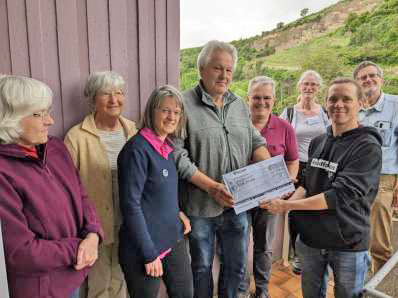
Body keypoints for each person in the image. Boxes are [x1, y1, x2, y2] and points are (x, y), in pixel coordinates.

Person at [262, 78, 382, 298]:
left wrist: (287, 205)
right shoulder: (319, 141)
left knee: (348, 294)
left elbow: (339, 195)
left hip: (347, 242)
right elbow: (307, 183)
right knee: (311, 293)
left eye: (346, 99)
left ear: (361, 103)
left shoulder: (367, 147)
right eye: (333, 99)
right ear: (326, 104)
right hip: (311, 241)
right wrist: (286, 198)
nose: (339, 104)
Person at [174, 40, 271, 298]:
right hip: (200, 207)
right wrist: (213, 187)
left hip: (238, 204)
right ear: (201, 69)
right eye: (218, 68)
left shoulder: (239, 105)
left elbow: (256, 142)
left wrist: (270, 172)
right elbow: (178, 157)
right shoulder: (182, 104)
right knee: (202, 267)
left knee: (236, 266)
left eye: (229, 70)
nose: (224, 75)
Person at [0, 75, 103, 298]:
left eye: (48, 111)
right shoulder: (3, 171)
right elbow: (20, 252)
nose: (50, 121)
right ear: (10, 118)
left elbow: (81, 195)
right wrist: (77, 247)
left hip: (71, 277)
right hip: (40, 290)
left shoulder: (55, 147)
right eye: (39, 114)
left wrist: (93, 234)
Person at [64, 71, 136, 298]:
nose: (114, 100)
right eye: (106, 94)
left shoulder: (133, 130)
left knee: (122, 277)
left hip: (129, 219)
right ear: (93, 98)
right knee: (99, 282)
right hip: (96, 223)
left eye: (119, 93)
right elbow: (67, 186)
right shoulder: (76, 136)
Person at [118, 85, 193, 298]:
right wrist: (149, 254)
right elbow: (130, 205)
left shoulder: (166, 148)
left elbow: (160, 192)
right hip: (144, 246)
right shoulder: (137, 150)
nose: (172, 117)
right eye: (165, 110)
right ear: (152, 111)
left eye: (177, 112)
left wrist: (178, 212)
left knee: (185, 293)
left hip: (172, 237)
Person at [238, 76, 299, 298]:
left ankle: (262, 290)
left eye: (267, 98)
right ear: (248, 98)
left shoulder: (285, 128)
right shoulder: (236, 124)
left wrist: (286, 185)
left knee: (264, 246)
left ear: (274, 100)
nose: (261, 102)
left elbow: (293, 160)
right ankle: (242, 290)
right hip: (240, 200)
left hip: (270, 201)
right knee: (239, 245)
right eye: (256, 97)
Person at [280, 70, 329, 274]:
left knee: (318, 209)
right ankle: (298, 255)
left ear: (319, 88)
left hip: (319, 166)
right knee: (295, 211)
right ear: (299, 86)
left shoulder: (325, 112)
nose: (309, 88)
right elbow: (278, 136)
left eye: (313, 84)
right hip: (296, 166)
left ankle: (317, 251)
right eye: (306, 84)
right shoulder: (289, 112)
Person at [353, 61, 398, 273]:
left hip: (383, 178)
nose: (368, 80)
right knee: (355, 232)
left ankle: (378, 284)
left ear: (381, 79)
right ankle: (358, 279)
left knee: (379, 240)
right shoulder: (354, 108)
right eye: (363, 78)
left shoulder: (395, 105)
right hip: (354, 178)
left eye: (372, 76)